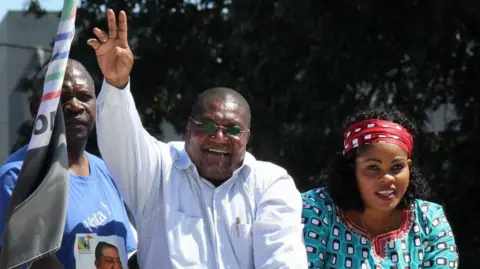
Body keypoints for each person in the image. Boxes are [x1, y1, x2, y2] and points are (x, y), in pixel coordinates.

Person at [87, 9, 307, 269]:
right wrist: (115, 83)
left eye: (233, 130)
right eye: (209, 125)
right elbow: (120, 137)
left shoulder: (270, 184)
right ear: (187, 129)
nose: (220, 137)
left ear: (248, 138)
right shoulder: (157, 171)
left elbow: (282, 260)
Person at [0, 59, 137, 268]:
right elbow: (31, 261)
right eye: (62, 98)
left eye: (84, 97)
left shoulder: (105, 170)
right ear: (36, 108)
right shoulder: (18, 177)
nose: (75, 106)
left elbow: (127, 253)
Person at [301, 108, 459, 268]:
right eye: (373, 167)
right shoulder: (318, 210)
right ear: (351, 168)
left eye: (397, 167)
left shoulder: (429, 220)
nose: (387, 178)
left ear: (409, 168)